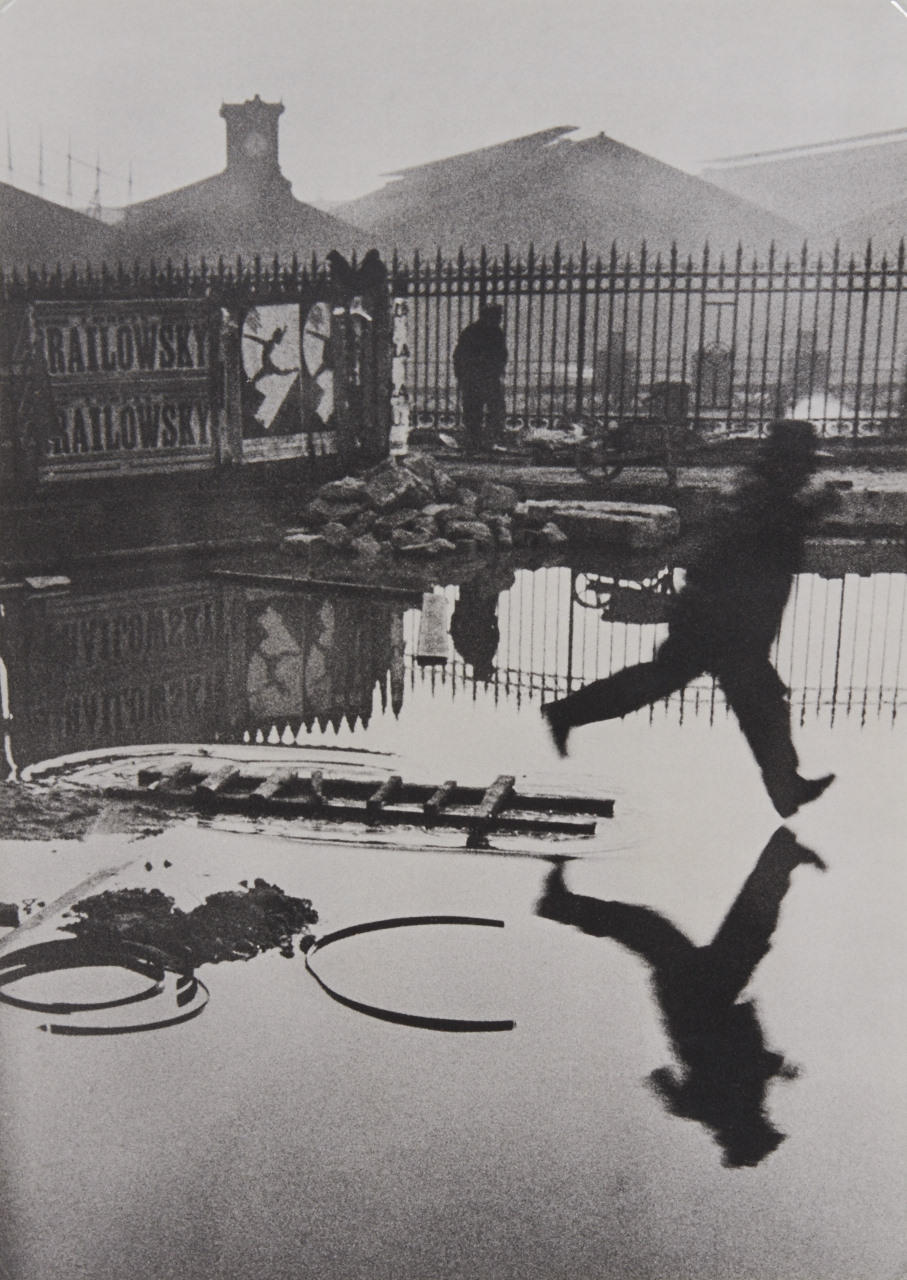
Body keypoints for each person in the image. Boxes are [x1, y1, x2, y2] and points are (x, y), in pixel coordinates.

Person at [541, 420, 835, 818]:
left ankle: (787, 785)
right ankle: (785, 786)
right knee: (756, 700)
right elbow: (760, 538)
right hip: (724, 619)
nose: (809, 469)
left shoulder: (763, 486)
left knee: (727, 693)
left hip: (722, 615)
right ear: (792, 460)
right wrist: (806, 509)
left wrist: (803, 509)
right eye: (805, 461)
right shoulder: (765, 492)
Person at [535, 829, 826, 1167]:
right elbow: (675, 1081)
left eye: (764, 1126)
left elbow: (731, 1068)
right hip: (700, 1000)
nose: (768, 1119)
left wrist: (775, 1068)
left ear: (749, 1130)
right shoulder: (724, 1107)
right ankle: (559, 904)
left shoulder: (726, 1107)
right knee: (664, 929)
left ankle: (782, 856)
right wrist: (772, 1069)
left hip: (701, 1002)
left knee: (735, 930)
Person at [453, 304, 508, 454]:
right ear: (487, 316)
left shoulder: (494, 332)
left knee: (493, 411)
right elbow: (459, 356)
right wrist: (462, 375)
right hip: (476, 378)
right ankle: (476, 443)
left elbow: (502, 355)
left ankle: (486, 442)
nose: (499, 319)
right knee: (474, 412)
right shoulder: (472, 332)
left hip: (486, 378)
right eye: (497, 316)